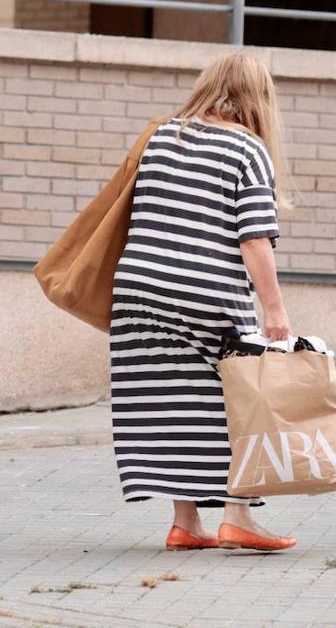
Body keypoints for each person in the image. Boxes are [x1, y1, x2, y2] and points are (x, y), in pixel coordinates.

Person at [110, 53, 297, 552]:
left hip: (137, 290)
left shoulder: (161, 137)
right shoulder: (247, 149)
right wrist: (274, 309)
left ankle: (187, 523)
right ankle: (238, 516)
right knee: (241, 402)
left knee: (170, 401)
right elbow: (253, 237)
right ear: (258, 97)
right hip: (205, 290)